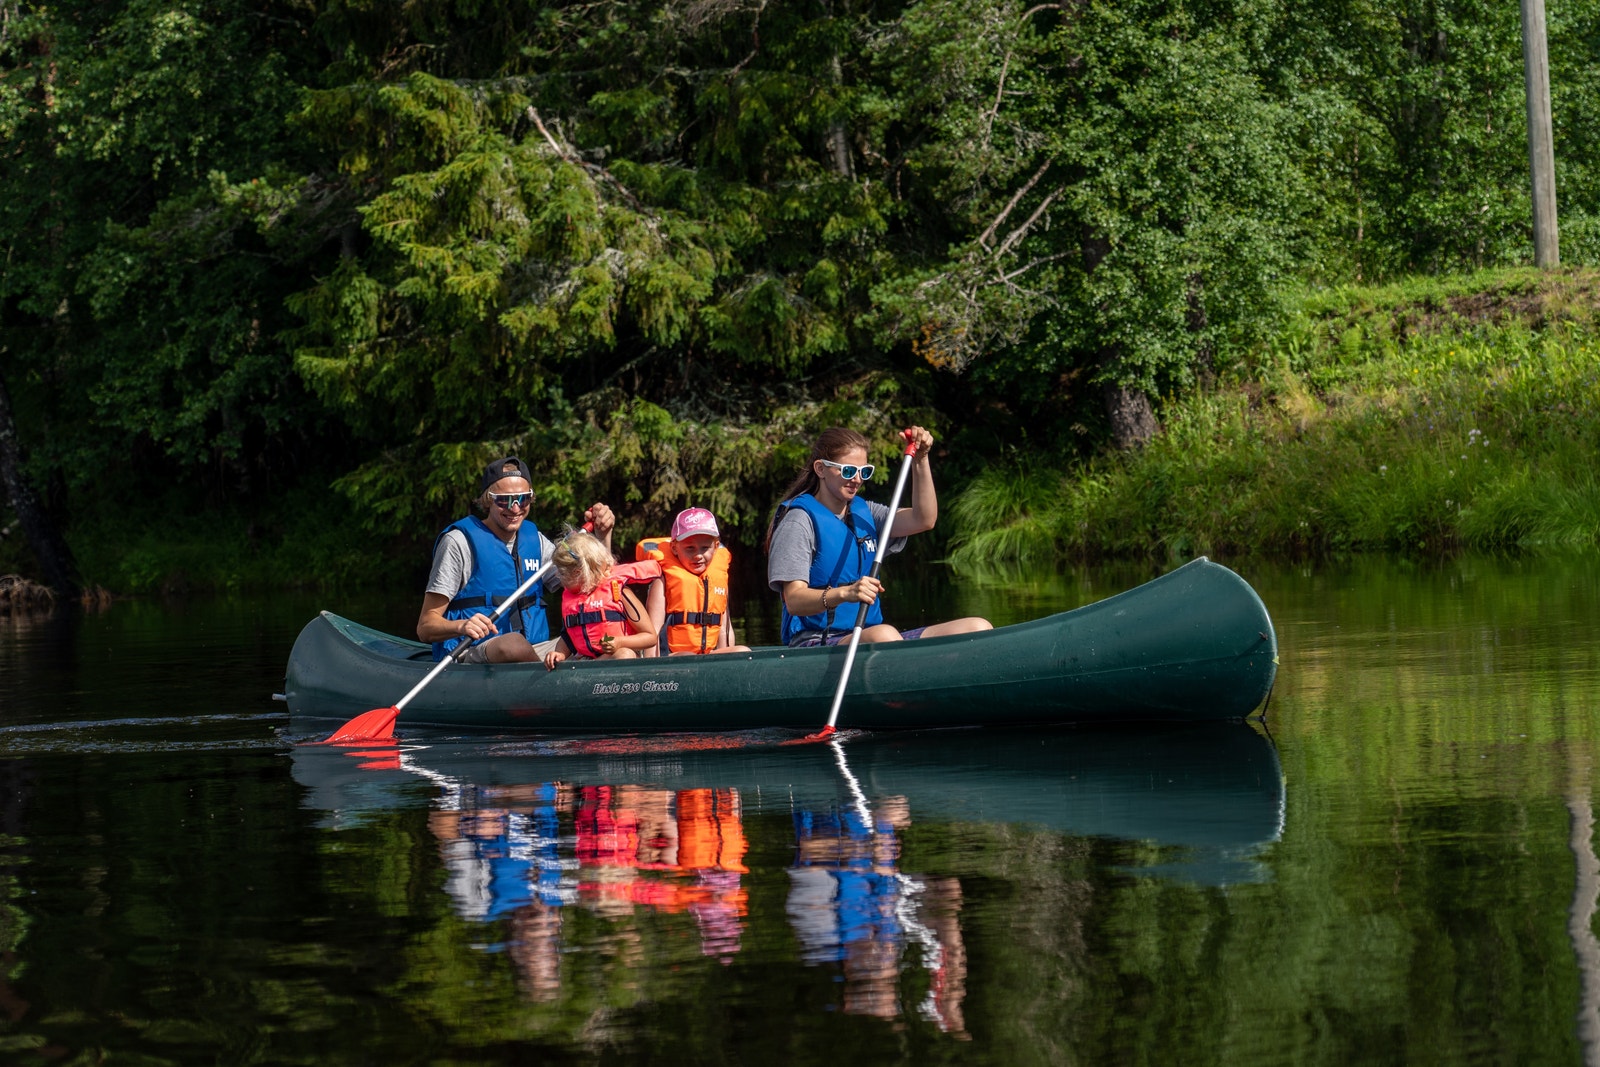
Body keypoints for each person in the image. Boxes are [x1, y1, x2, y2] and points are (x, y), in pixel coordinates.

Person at [765, 426, 991, 646]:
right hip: (816, 641)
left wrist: (921, 459)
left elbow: (924, 519)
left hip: (869, 636)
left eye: (864, 472)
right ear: (821, 469)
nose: (857, 479)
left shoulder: (866, 513)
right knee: (884, 634)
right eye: (848, 471)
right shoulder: (798, 521)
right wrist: (845, 593)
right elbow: (794, 600)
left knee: (977, 627)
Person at [417, 456, 616, 664]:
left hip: (534, 651)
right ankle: (550, 684)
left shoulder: (535, 541)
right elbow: (425, 626)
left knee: (608, 637)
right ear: (488, 499)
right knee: (513, 644)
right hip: (474, 651)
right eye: (504, 500)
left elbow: (596, 586)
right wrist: (463, 625)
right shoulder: (458, 543)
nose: (515, 508)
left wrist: (604, 535)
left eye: (523, 499)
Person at [636, 507, 752, 655]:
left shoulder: (718, 579)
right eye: (690, 548)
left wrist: (726, 663)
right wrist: (652, 666)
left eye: (705, 548)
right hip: (672, 655)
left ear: (716, 547)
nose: (698, 555)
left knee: (743, 651)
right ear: (674, 548)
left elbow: (724, 628)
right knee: (688, 656)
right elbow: (654, 629)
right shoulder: (663, 580)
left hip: (706, 655)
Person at [542, 528, 663, 668]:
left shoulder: (620, 593)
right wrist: (560, 653)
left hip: (618, 658)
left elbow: (650, 637)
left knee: (625, 654)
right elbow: (568, 636)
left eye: (562, 574)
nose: (558, 577)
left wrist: (619, 642)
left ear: (578, 573)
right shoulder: (572, 600)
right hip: (586, 663)